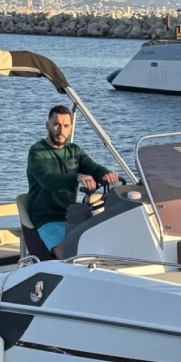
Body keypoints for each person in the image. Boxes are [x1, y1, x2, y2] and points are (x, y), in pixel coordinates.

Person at [27, 105, 119, 256]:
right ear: (47, 125)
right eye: (56, 124)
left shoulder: (74, 150)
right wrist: (77, 177)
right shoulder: (37, 152)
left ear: (70, 128)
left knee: (101, 250)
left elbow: (93, 168)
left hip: (72, 215)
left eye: (65, 126)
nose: (61, 130)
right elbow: (48, 180)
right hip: (47, 218)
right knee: (67, 255)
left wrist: (106, 175)